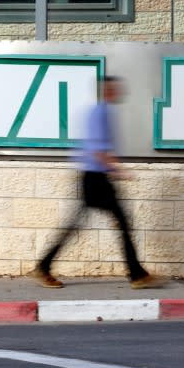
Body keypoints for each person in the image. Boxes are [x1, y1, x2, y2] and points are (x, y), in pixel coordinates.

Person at [29, 76, 161, 289]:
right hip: (96, 178)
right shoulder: (101, 113)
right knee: (121, 222)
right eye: (114, 89)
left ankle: (44, 266)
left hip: (94, 176)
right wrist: (120, 171)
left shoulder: (100, 112)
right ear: (107, 91)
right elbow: (99, 150)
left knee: (83, 224)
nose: (118, 92)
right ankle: (136, 274)